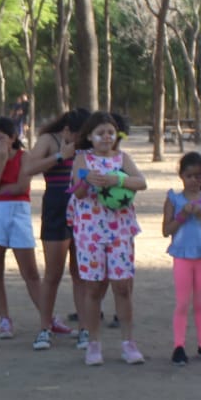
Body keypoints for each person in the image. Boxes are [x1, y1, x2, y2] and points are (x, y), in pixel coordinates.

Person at [67, 110, 148, 366]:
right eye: (100, 133)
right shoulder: (82, 160)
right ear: (89, 136)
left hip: (120, 231)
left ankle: (128, 343)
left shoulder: (123, 158)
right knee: (93, 288)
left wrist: (118, 180)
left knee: (122, 286)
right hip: (91, 232)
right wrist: (86, 180)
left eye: (110, 133)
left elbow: (141, 182)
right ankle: (93, 344)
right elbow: (77, 194)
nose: (105, 137)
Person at [0, 116, 47, 344]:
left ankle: (47, 317)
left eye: (0, 137)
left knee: (31, 272)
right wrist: (1, 164)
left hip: (18, 211)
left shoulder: (25, 157)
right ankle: (4, 318)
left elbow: (21, 186)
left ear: (13, 138)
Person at [23, 109, 90, 349]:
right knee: (53, 274)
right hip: (56, 209)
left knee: (80, 274)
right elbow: (29, 168)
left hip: (84, 211)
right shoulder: (48, 140)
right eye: (80, 135)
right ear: (66, 131)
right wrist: (61, 156)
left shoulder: (89, 144)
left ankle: (85, 329)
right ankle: (44, 328)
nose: (84, 140)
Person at [163, 151, 201, 364]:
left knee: (200, 302)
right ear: (181, 176)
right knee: (182, 302)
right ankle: (179, 345)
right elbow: (166, 229)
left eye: (198, 176)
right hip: (182, 256)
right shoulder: (174, 199)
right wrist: (182, 215)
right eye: (189, 176)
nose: (194, 180)